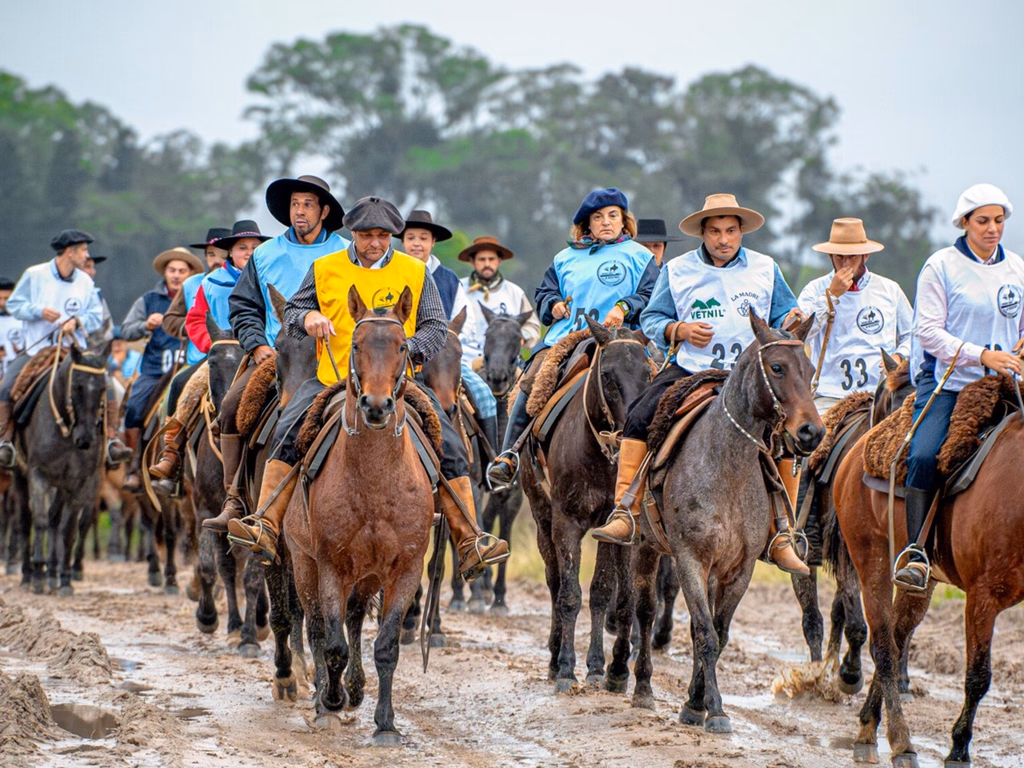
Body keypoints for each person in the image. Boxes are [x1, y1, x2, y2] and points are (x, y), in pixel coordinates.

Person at [226, 196, 509, 579]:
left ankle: (469, 540)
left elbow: (435, 326)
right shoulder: (325, 267)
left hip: (397, 381)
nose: (374, 243)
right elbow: (292, 311)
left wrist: (410, 350)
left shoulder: (414, 270)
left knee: (451, 442)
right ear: (353, 235)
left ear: (391, 236)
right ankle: (265, 523)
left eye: (381, 236)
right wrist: (308, 317)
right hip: (331, 378)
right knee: (285, 428)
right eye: (365, 236)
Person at [589, 193, 810, 575]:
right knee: (639, 415)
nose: (723, 239)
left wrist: (791, 318)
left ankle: (782, 534)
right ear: (703, 235)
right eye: (714, 232)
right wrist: (680, 328)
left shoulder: (765, 267)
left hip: (750, 379)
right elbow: (653, 318)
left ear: (741, 232)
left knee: (789, 432)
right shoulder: (677, 270)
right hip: (692, 370)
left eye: (730, 231)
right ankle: (626, 509)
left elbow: (783, 315)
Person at [202, 175, 349, 533]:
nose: (299, 211)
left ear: (324, 211)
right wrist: (257, 344)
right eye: (295, 204)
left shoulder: (346, 252)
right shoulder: (264, 254)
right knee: (232, 405)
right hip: (278, 357)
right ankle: (235, 497)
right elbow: (243, 306)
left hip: (337, 358)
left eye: (308, 204)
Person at [486, 188, 659, 489]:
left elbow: (652, 294)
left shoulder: (640, 256)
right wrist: (552, 304)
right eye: (598, 217)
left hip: (619, 340)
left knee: (655, 379)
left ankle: (659, 460)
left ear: (624, 221)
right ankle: (509, 455)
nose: (606, 222)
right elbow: (543, 293)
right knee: (533, 378)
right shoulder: (565, 258)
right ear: (586, 224)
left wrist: (625, 306)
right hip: (566, 337)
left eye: (613, 216)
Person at [898, 184, 1024, 590]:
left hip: (1008, 383)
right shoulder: (941, 266)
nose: (992, 229)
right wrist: (981, 355)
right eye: (983, 221)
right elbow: (928, 333)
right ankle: (916, 552)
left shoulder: (1017, 268)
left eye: (999, 221)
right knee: (923, 453)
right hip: (950, 384)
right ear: (965, 223)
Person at [149, 221, 269, 482]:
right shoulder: (211, 282)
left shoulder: (271, 276)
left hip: (263, 354)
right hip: (222, 355)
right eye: (242, 247)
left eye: (254, 247)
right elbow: (193, 319)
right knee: (183, 383)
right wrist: (212, 345)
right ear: (231, 252)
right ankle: (172, 450)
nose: (248, 252)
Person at [0, 230, 106, 468]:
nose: (87, 256)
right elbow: (15, 304)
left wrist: (77, 322)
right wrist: (39, 311)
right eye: (84, 250)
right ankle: (5, 442)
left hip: (74, 353)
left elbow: (96, 316)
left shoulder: (86, 281)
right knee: (6, 387)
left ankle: (111, 442)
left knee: (106, 386)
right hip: (37, 351)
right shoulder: (34, 274)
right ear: (70, 252)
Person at [399, 210, 500, 451]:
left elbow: (468, 323)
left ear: (433, 243)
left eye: (423, 238)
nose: (416, 244)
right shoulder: (393, 272)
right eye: (411, 237)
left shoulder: (449, 279)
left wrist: (448, 345)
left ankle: (493, 464)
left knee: (485, 397)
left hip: (444, 358)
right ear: (403, 241)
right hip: (400, 357)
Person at [799, 218, 913, 414]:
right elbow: (801, 336)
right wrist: (831, 296)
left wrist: (898, 356)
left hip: (882, 394)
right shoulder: (815, 289)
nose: (845, 263)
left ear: (865, 255)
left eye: (852, 257)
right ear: (830, 256)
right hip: (830, 394)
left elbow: (913, 334)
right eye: (839, 257)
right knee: (813, 442)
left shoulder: (889, 290)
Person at [119, 246, 205, 490]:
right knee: (134, 406)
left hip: (189, 363)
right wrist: (146, 324)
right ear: (165, 273)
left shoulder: (198, 295)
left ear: (190, 273)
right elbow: (126, 330)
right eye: (172, 270)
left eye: (181, 270)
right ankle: (134, 467)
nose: (176, 275)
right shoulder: (148, 300)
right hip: (155, 369)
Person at [458, 235, 540, 367]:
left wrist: (522, 336)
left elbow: (532, 326)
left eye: (491, 259)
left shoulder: (515, 292)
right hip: (464, 362)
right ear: (472, 261)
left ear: (499, 261)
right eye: (481, 259)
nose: (487, 264)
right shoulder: (458, 288)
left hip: (506, 365)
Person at [0, 276, 24, 380]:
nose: (2, 303)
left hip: (19, 374)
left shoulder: (24, 319)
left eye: (6, 299)